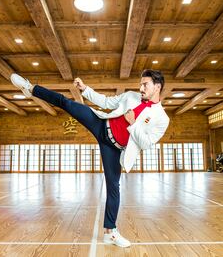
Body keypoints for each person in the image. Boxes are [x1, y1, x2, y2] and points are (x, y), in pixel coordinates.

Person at [10, 69, 170, 247]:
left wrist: (133, 124)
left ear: (157, 86)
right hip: (101, 124)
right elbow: (107, 102)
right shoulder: (131, 96)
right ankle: (30, 88)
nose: (141, 87)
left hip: (114, 149)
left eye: (145, 84)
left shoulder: (162, 118)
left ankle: (111, 233)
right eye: (140, 84)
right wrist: (85, 89)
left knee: (113, 188)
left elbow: (147, 143)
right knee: (66, 103)